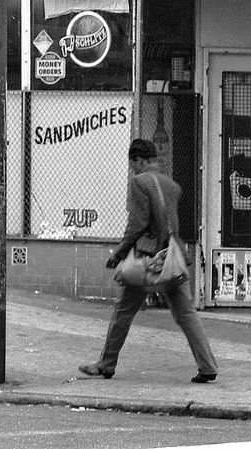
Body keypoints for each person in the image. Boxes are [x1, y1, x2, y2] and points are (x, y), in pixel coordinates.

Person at [79, 138, 218, 383]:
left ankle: (106, 364)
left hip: (148, 260)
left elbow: (137, 224)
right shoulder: (171, 185)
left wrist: (120, 254)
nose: (132, 168)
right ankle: (207, 365)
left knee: (123, 311)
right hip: (171, 258)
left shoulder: (139, 182)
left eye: (133, 163)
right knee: (186, 313)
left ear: (138, 160)